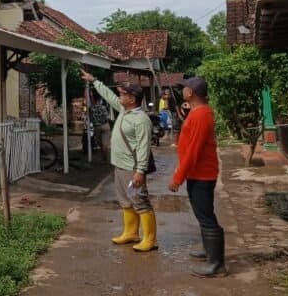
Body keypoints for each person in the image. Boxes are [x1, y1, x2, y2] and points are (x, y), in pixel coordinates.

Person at [80, 69, 158, 252]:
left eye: (123, 94)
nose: (119, 96)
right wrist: (94, 80)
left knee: (140, 201)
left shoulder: (141, 120)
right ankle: (131, 233)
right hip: (120, 166)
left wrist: (140, 171)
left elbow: (144, 147)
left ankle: (150, 239)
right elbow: (108, 96)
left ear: (132, 99)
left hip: (132, 168)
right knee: (125, 200)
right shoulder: (124, 110)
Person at [168, 77, 226, 277]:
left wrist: (178, 177)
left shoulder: (201, 115)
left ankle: (216, 264)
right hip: (197, 173)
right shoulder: (197, 112)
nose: (182, 90)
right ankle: (209, 251)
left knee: (206, 216)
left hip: (201, 174)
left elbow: (194, 150)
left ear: (190, 93)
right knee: (202, 213)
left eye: (184, 88)